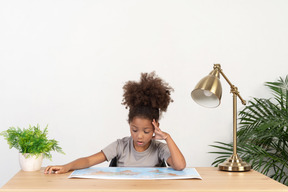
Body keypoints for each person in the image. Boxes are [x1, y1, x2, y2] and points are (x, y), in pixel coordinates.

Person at [45, 72, 186, 174]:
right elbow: (89, 161)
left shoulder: (159, 149)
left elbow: (180, 166)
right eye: (134, 130)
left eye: (146, 131)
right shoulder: (121, 146)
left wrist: (167, 138)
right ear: (129, 125)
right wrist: (67, 167)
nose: (139, 136)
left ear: (156, 127)